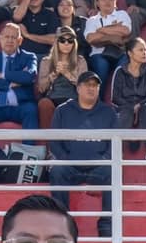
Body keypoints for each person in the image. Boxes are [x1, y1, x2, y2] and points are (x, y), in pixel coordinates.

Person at [48, 72, 121, 233]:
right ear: (78, 88)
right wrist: (66, 159)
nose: (91, 88)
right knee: (57, 171)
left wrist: (103, 160)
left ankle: (107, 226)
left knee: (114, 172)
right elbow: (54, 142)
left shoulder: (108, 112)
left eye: (95, 85)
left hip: (98, 167)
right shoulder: (63, 110)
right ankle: (62, 224)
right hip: (70, 166)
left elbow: (115, 144)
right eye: (87, 85)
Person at [0, 22, 41, 131]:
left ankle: (28, 148)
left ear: (20, 41)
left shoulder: (29, 57)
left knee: (31, 110)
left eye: (13, 37)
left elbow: (29, 77)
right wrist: (10, 83)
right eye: (6, 37)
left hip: (19, 106)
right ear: (0, 39)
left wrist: (4, 75)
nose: (10, 40)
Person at [111, 36, 146, 146]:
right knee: (125, 112)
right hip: (125, 107)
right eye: (140, 50)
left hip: (144, 105)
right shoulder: (120, 71)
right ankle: (116, 151)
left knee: (145, 110)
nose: (144, 53)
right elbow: (115, 97)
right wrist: (130, 106)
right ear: (130, 53)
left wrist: (139, 105)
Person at [84, 0, 134, 85]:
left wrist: (101, 30)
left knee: (124, 63)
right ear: (97, 3)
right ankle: (99, 98)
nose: (107, 2)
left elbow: (125, 31)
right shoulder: (92, 20)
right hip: (99, 54)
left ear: (115, 2)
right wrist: (113, 32)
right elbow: (90, 38)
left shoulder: (122, 14)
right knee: (101, 65)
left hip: (119, 52)